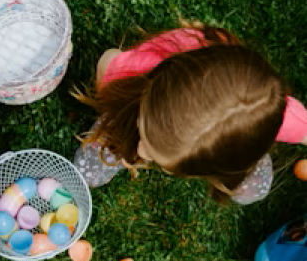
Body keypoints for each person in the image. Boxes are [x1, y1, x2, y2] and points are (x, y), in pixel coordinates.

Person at [73, 20, 307, 204]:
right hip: (138, 94)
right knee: (93, 167)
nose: (141, 150)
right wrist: (110, 99)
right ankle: (126, 126)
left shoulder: (281, 117)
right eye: (144, 127)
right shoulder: (134, 72)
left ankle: (243, 152)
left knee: (251, 190)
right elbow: (108, 60)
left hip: (240, 139)